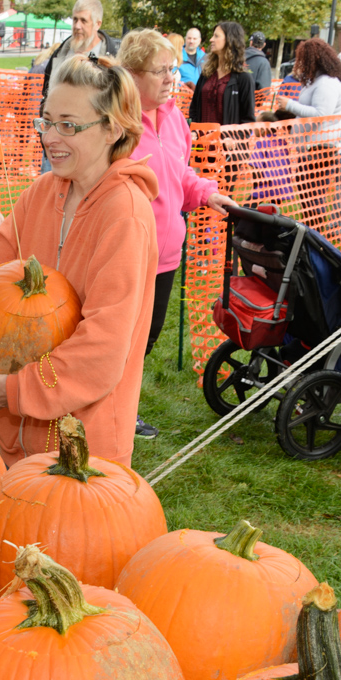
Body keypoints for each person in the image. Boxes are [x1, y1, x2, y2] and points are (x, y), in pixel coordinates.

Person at [0, 53, 157, 465]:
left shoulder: (125, 215)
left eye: (68, 125)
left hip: (83, 450)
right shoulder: (40, 192)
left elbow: (104, 347)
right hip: (17, 436)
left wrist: (21, 389)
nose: (50, 137)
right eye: (47, 121)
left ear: (112, 129)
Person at [121, 30, 237, 439]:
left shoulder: (174, 119)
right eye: (160, 71)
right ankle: (103, 410)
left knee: (146, 338)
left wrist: (208, 194)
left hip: (166, 253)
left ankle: (121, 410)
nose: (172, 77)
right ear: (132, 75)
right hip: (125, 253)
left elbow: (180, 175)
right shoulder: (116, 123)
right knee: (116, 338)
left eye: (173, 69)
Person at [273, 38, 341, 228]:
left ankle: (316, 230)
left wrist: (289, 105)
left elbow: (320, 115)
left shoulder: (327, 83)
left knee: (313, 193)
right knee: (310, 190)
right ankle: (313, 228)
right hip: (316, 145)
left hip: (321, 146)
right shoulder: (324, 80)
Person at [40, 0, 120, 100]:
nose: (77, 26)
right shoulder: (59, 54)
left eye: (83, 20)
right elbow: (45, 96)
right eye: (75, 19)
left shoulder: (112, 59)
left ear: (97, 24)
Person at [189, 21, 256, 125]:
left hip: (227, 140)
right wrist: (194, 131)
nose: (211, 39)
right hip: (201, 140)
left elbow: (248, 120)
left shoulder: (243, 78)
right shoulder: (206, 73)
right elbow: (194, 108)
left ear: (230, 40)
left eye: (216, 36)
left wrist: (233, 139)